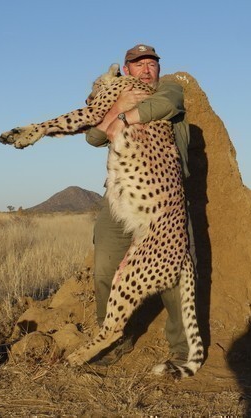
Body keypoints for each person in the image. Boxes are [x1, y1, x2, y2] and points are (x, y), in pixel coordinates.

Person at [85, 44, 194, 369]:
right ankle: (116, 338)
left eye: (152, 64)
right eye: (139, 64)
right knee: (105, 268)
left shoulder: (168, 88)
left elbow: (167, 103)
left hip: (162, 197)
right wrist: (118, 105)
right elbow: (92, 136)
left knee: (173, 275)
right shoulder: (120, 95)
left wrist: (123, 118)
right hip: (122, 197)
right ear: (126, 69)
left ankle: (182, 349)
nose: (147, 69)